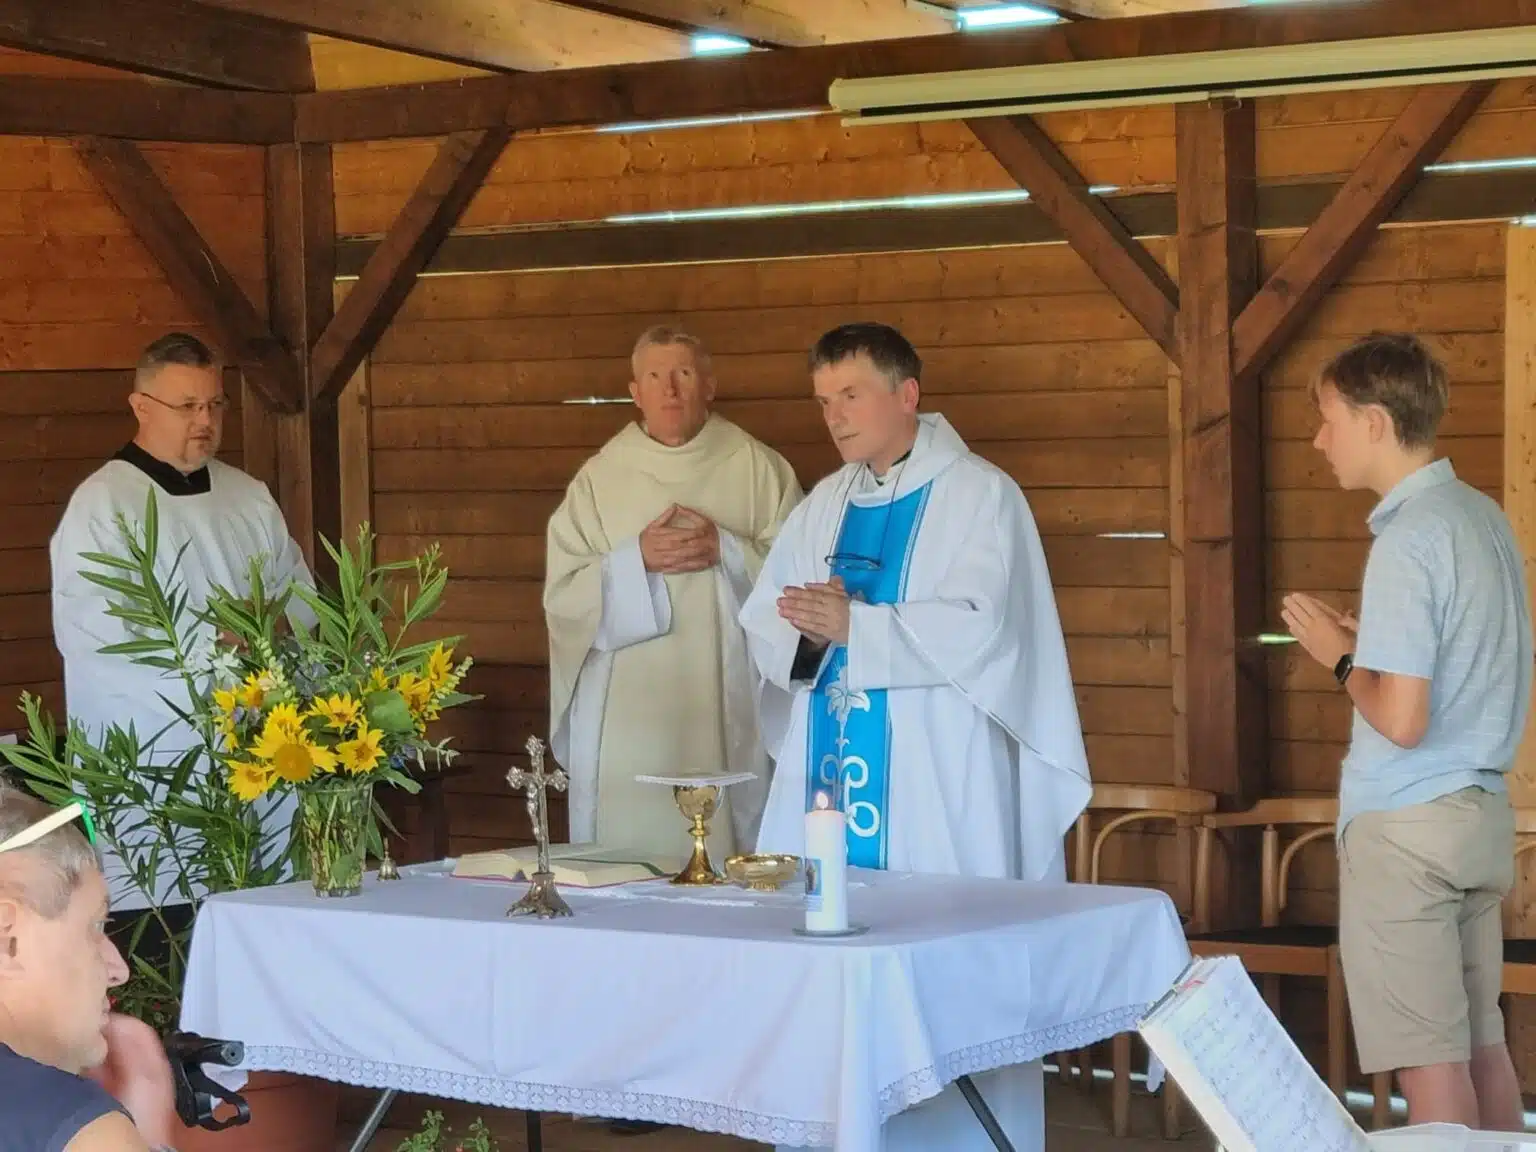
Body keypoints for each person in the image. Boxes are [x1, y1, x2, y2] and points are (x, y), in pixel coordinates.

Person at [738, 321, 1092, 1151]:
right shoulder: (824, 504)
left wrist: (859, 627)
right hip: (832, 767)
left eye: (850, 395)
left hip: (937, 780)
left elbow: (984, 626)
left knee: (948, 974)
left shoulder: (979, 495)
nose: (834, 415)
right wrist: (809, 635)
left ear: (907, 394)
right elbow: (768, 620)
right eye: (823, 400)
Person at [1282, 331, 1531, 1130]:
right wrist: (1372, 649)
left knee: (1431, 1063)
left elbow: (1401, 719)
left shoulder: (1408, 538)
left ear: (1375, 422)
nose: (1319, 440)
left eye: (1328, 419)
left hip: (1408, 831)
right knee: (1483, 1048)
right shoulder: (1479, 517)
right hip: (1477, 817)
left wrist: (1337, 655)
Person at [50, 332, 314, 916]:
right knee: (169, 922)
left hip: (258, 748)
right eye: (188, 406)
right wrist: (217, 640)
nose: (205, 421)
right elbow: (96, 632)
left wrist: (268, 628)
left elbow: (300, 597)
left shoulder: (249, 496)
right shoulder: (103, 506)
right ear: (141, 407)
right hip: (159, 759)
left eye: (215, 404)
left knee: (266, 905)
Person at [544, 325, 803, 864]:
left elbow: (800, 574)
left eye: (683, 373)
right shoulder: (599, 478)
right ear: (634, 392)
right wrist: (633, 561)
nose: (670, 389)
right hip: (628, 710)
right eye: (655, 376)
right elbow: (564, 595)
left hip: (724, 693)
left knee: (728, 850)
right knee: (627, 852)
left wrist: (728, 550)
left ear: (709, 385)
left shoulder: (758, 467)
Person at [0, 784, 180, 1151]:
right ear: (7, 941)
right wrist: (148, 1140)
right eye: (96, 926)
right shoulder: (72, 1125)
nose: (118, 971)